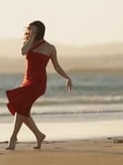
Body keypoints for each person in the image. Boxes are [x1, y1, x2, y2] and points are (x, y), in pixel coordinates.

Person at [5, 20, 72, 150]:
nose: (32, 32)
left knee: (20, 108)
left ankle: (13, 139)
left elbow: (57, 66)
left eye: (35, 30)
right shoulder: (28, 43)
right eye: (30, 30)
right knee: (22, 110)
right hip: (27, 80)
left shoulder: (50, 48)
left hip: (38, 83)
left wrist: (67, 77)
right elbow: (23, 51)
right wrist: (31, 38)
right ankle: (38, 135)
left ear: (40, 31)